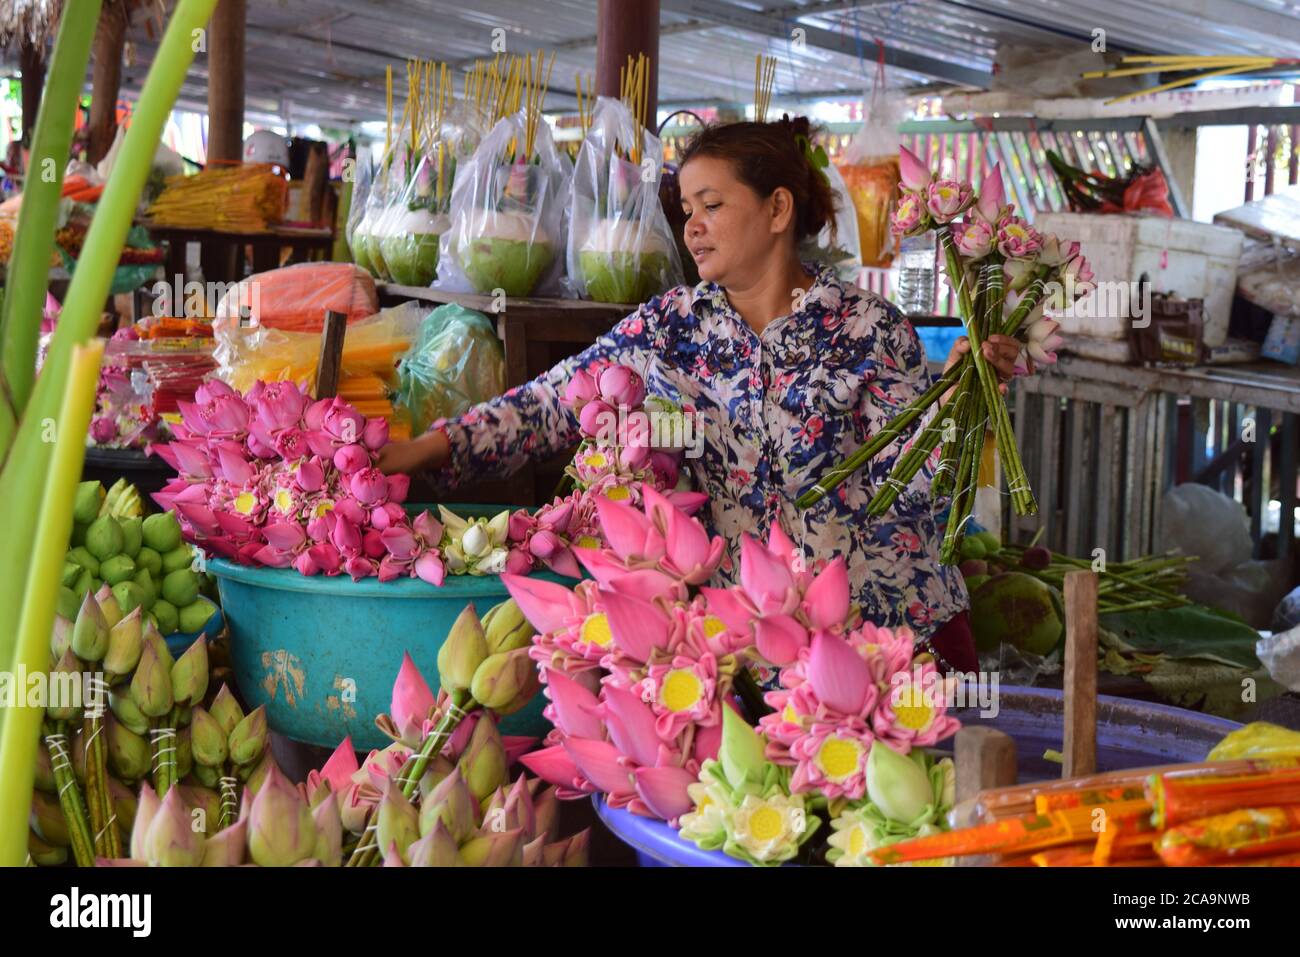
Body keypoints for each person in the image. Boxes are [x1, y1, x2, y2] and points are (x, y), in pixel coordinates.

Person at [378, 116, 1025, 674]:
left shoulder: (869, 327)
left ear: (777, 209)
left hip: (887, 639)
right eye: (686, 211)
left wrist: (958, 405)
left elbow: (913, 483)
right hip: (749, 645)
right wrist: (428, 448)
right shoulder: (672, 326)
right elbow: (550, 401)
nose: (693, 228)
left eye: (712, 205)